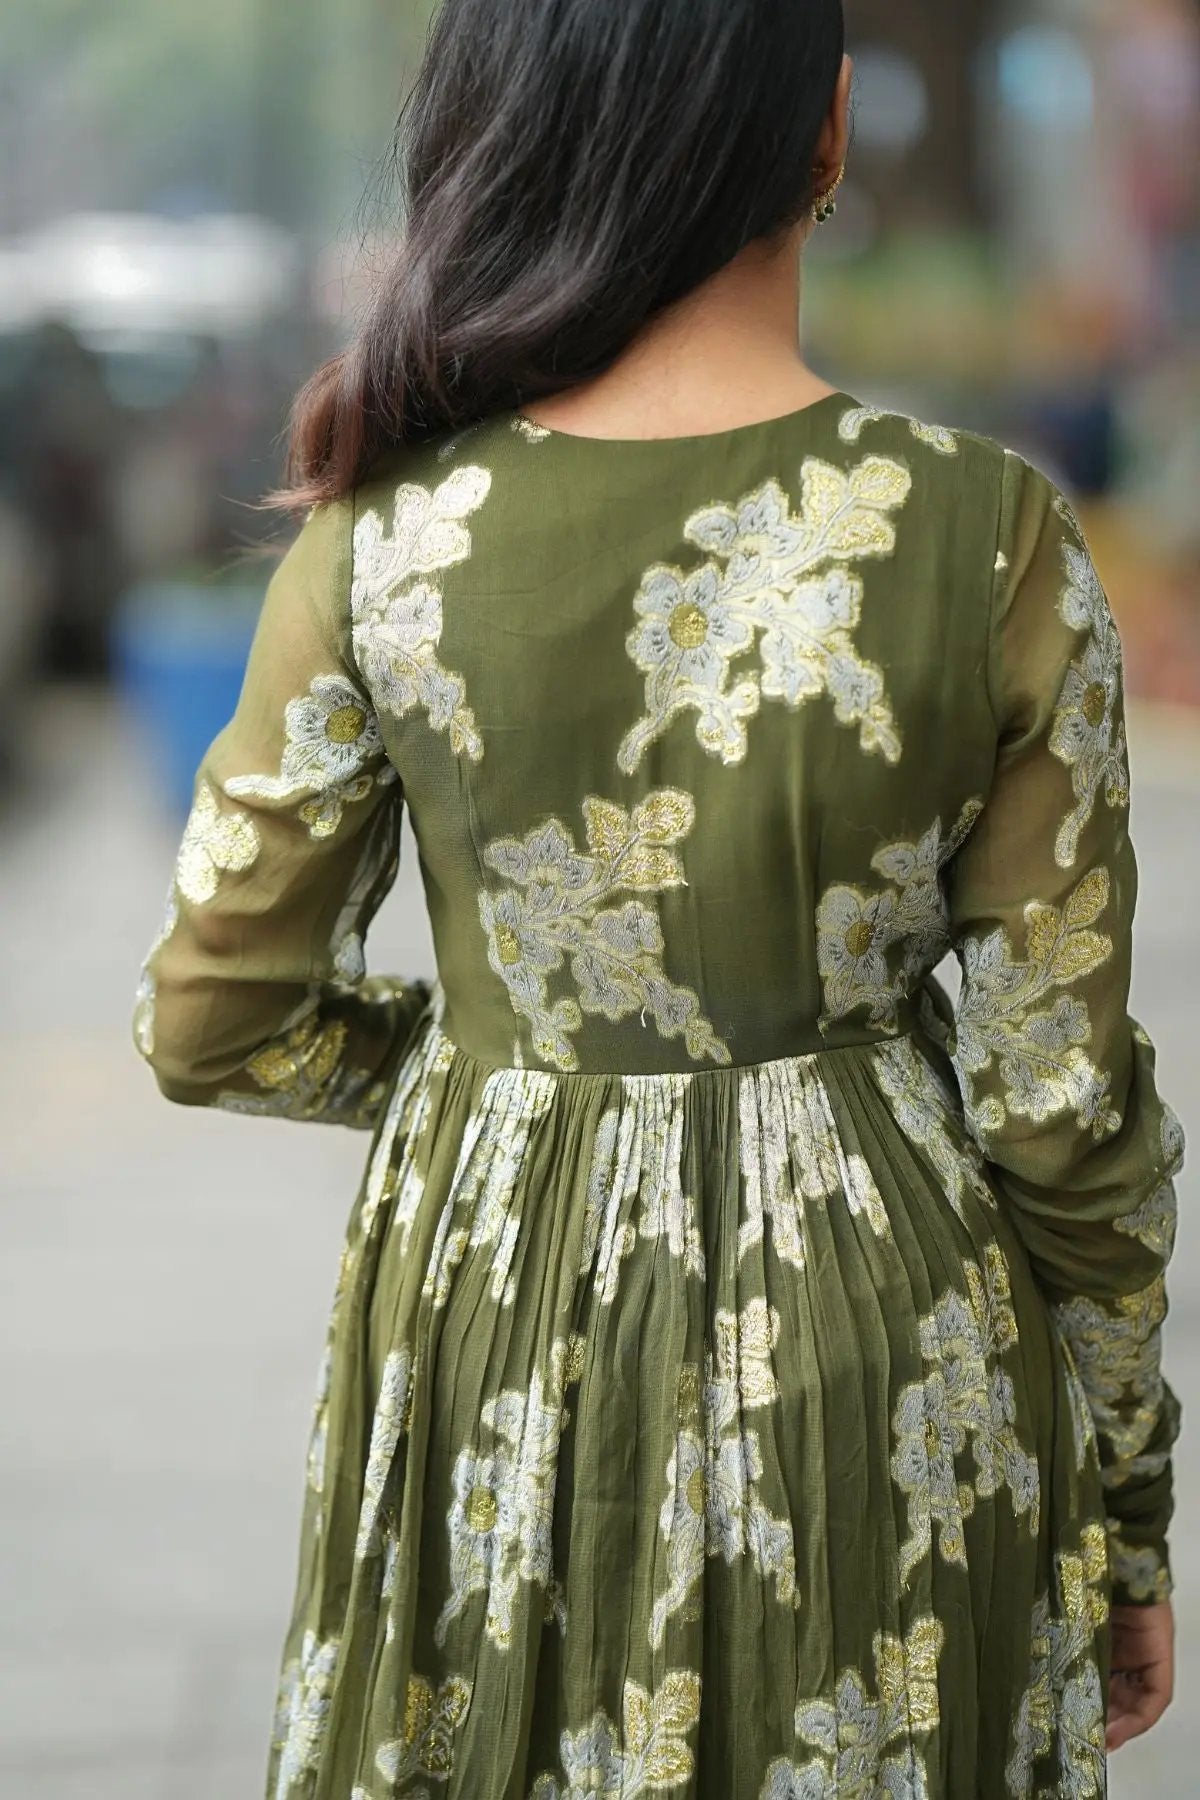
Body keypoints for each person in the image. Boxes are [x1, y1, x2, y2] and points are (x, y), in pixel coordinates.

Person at [132, 2, 1183, 1793]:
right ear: (829, 134)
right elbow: (1056, 1105)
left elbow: (215, 1020)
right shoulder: (986, 539)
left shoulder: (381, 535)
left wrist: (498, 1064)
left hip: (496, 1330)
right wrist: (1130, 1496)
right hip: (893, 1361)